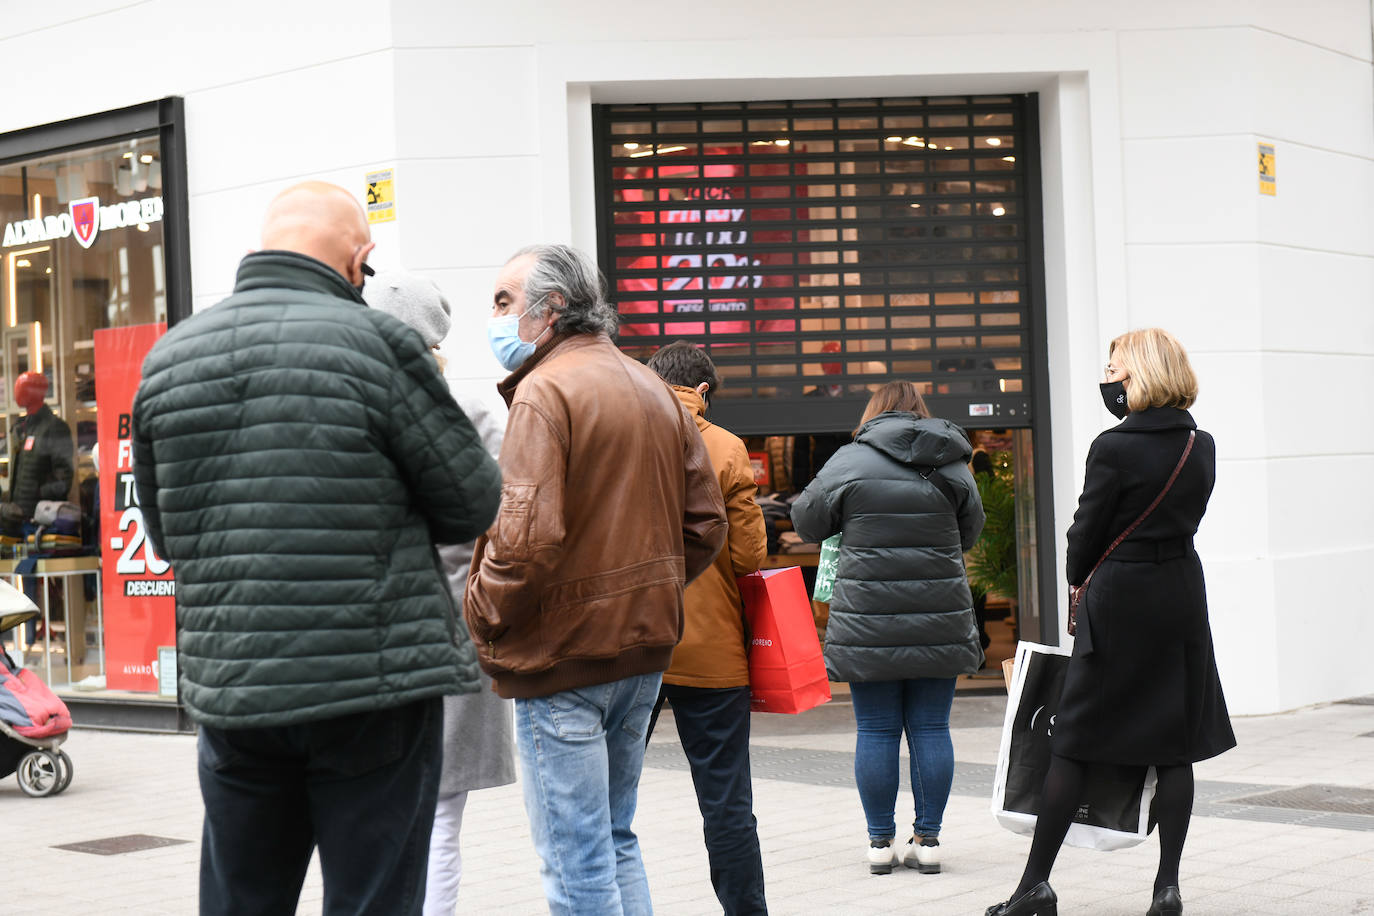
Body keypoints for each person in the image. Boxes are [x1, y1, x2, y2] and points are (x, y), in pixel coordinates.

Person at [131, 181, 502, 916]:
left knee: (243, 898)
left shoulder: (170, 359)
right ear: (359, 260)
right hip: (375, 685)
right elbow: (471, 503)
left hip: (237, 685)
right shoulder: (381, 345)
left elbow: (168, 535)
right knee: (372, 899)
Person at [465, 243, 728, 915]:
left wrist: (482, 613)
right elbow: (705, 526)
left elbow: (523, 543)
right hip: (641, 650)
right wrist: (652, 590)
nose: (493, 317)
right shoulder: (651, 386)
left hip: (564, 659)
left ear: (549, 310)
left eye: (503, 301)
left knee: (574, 858)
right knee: (612, 840)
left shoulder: (545, 391)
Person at [985, 328, 1235, 916]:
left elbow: (1085, 532)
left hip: (1120, 596)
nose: (1108, 377)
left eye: (1115, 368)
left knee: (1073, 741)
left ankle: (1034, 887)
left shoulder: (1113, 446)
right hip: (1178, 592)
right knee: (1175, 748)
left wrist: (1078, 573)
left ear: (1139, 375)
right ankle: (1167, 888)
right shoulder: (1202, 444)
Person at [362, 269, 517, 916]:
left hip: (370, 643)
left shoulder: (353, 411)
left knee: (376, 818)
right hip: (456, 634)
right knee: (441, 818)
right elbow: (506, 531)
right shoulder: (476, 414)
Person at [790, 380, 984, 877]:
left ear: (873, 414)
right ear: (921, 413)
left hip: (867, 619)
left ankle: (880, 843)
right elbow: (970, 532)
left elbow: (807, 522)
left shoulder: (850, 460)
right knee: (932, 727)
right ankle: (930, 840)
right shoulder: (953, 461)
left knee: (876, 730)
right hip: (940, 616)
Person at [644, 340, 769, 915]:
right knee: (725, 802)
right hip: (711, 648)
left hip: (629, 642)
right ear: (703, 390)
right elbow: (748, 556)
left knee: (609, 798)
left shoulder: (620, 437)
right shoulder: (724, 445)